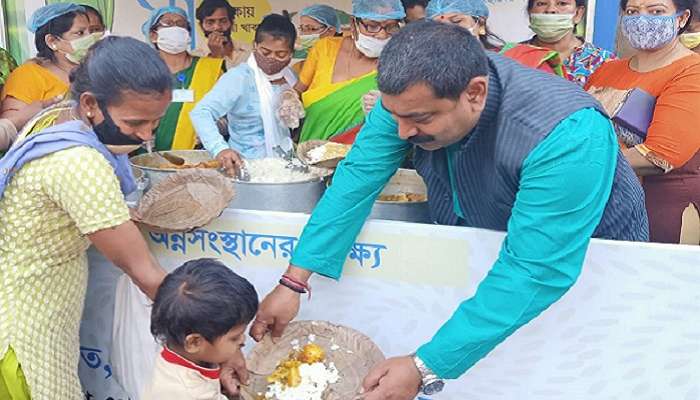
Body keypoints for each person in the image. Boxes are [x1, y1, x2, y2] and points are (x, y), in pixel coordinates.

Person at [246, 21, 648, 400]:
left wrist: (425, 366)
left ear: (474, 92)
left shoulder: (565, 133)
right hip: (488, 252)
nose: (402, 133)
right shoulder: (408, 101)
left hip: (585, 266)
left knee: (561, 376)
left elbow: (535, 270)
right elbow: (356, 181)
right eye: (395, 116)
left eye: (420, 119)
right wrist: (294, 280)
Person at [0, 36, 169, 400]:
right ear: (91, 104)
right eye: (136, 122)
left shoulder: (58, 118)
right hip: (25, 331)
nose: (146, 136)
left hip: (32, 306)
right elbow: (145, 274)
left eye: (156, 123)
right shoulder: (80, 161)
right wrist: (219, 343)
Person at [586, 0, 700, 243]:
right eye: (632, 11)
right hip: (600, 204)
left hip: (659, 209)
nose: (642, 19)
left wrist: (582, 160)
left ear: (681, 18)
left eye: (656, 11)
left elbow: (661, 155)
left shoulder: (692, 72)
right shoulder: (607, 70)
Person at [191, 14, 302, 173]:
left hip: (284, 168)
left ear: (291, 53)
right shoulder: (239, 78)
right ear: (255, 45)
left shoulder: (292, 79)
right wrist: (220, 149)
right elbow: (201, 112)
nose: (272, 58)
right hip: (244, 168)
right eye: (265, 51)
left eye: (281, 54)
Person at [142, 258, 258, 400]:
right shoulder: (192, 393)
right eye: (234, 337)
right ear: (194, 342)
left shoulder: (182, 350)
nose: (242, 340)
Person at [295, 0, 405, 143]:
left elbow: (413, 111)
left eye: (391, 27)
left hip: (362, 156)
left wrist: (388, 107)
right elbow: (297, 91)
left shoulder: (398, 63)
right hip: (309, 148)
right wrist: (288, 98)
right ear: (353, 23)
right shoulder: (325, 48)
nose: (382, 35)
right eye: (372, 26)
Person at [0, 4, 101, 129]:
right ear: (52, 41)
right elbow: (11, 129)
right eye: (80, 33)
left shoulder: (99, 71)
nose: (90, 38)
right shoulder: (28, 75)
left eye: (91, 31)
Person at [142, 6, 224, 151]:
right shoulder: (140, 73)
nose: (175, 28)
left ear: (188, 34)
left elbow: (230, 115)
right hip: (149, 159)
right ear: (153, 35)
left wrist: (214, 128)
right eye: (167, 23)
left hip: (200, 160)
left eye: (181, 24)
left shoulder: (211, 69)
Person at [505, 0, 614, 85]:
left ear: (578, 14)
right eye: (542, 3)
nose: (551, 10)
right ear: (530, 13)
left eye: (562, 3)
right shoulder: (508, 57)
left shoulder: (604, 62)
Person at [192, 0, 252, 69]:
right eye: (210, 23)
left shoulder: (250, 51)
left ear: (232, 23)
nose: (217, 27)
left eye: (223, 21)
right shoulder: (195, 58)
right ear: (201, 26)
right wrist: (216, 56)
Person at [425, 0, 503, 50]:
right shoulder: (430, 67)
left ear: (480, 23)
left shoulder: (509, 56)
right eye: (438, 25)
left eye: (456, 21)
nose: (447, 29)